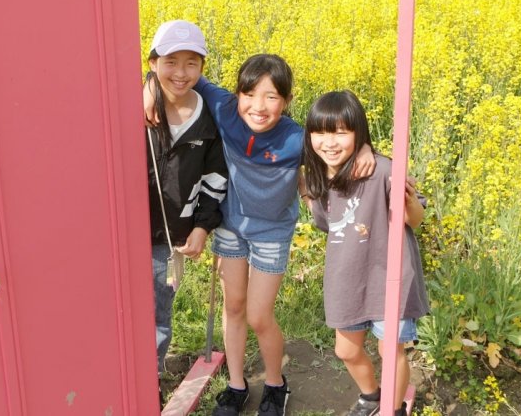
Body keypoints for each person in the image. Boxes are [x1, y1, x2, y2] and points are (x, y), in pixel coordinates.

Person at [155, 54, 375, 416]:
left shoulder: (295, 138)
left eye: (271, 97)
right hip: (231, 227)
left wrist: (365, 146)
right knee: (234, 307)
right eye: (250, 94)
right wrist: (150, 89)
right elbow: (183, 78)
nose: (258, 107)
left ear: (287, 101)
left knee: (259, 315)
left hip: (272, 232)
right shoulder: (225, 109)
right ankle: (236, 384)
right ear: (238, 94)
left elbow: (336, 145)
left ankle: (276, 384)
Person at [302, 90, 428, 416]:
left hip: (390, 276)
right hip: (346, 278)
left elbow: (414, 220)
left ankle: (393, 408)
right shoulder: (315, 179)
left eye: (341, 132)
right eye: (321, 132)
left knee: (391, 351)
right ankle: (371, 395)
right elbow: (325, 223)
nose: (329, 142)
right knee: (346, 350)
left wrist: (410, 203)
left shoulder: (383, 170)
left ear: (359, 133)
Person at [144, 20, 228, 384]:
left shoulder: (208, 119)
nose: (180, 73)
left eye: (191, 63)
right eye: (170, 61)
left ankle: (149, 381)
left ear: (202, 68)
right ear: (152, 64)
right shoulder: (132, 108)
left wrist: (201, 226)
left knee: (159, 312)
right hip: (123, 230)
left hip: (170, 235)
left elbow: (215, 178)